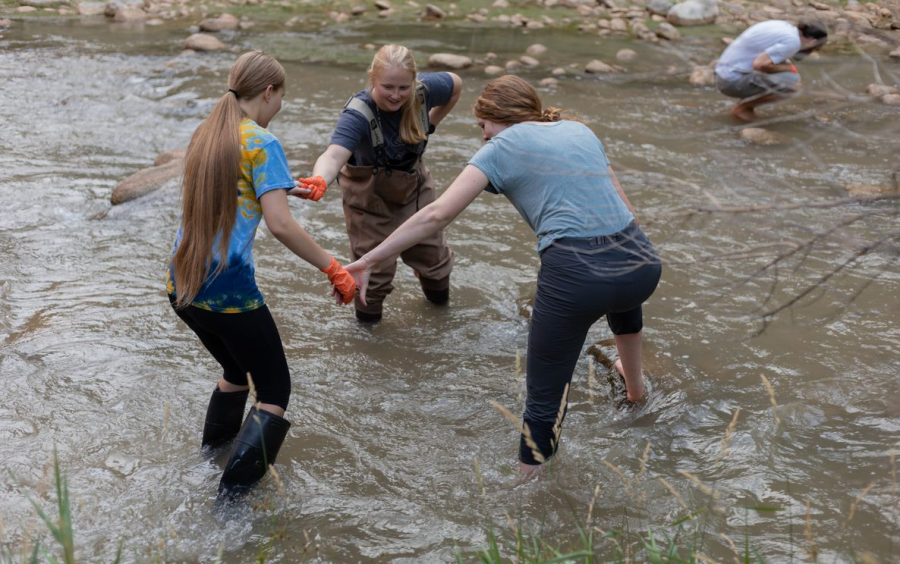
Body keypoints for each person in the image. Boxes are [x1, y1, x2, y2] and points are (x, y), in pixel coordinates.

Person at [345, 75, 662, 477]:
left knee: (543, 403)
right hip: (641, 261)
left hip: (577, 275)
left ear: (498, 118)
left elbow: (437, 214)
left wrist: (370, 259)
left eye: (482, 126)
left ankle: (527, 501)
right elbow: (625, 210)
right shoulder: (579, 130)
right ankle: (636, 393)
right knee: (620, 296)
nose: (482, 137)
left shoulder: (502, 147)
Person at [165, 51, 356, 498]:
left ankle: (211, 456)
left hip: (181, 287)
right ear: (268, 92)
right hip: (229, 291)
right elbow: (281, 225)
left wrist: (286, 184)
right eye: (282, 97)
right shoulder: (263, 142)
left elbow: (232, 183)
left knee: (236, 367)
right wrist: (334, 267)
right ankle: (230, 505)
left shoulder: (208, 133)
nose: (281, 107)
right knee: (274, 391)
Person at [290, 44, 462, 323]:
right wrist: (320, 178)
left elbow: (456, 85)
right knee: (373, 275)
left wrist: (430, 123)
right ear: (373, 79)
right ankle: (368, 337)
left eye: (403, 88)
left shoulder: (425, 91)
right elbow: (334, 153)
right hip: (368, 199)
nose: (396, 95)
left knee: (434, 261)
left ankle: (442, 318)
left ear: (415, 82)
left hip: (415, 188)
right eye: (388, 87)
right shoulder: (358, 113)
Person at [715, 19, 828, 121]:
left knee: (788, 76)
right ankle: (742, 108)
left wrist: (786, 67)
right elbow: (759, 65)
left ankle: (747, 103)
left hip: (722, 73)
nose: (812, 52)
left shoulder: (784, 26)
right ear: (812, 42)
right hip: (730, 81)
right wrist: (789, 68)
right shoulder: (793, 42)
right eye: (816, 48)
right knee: (794, 85)